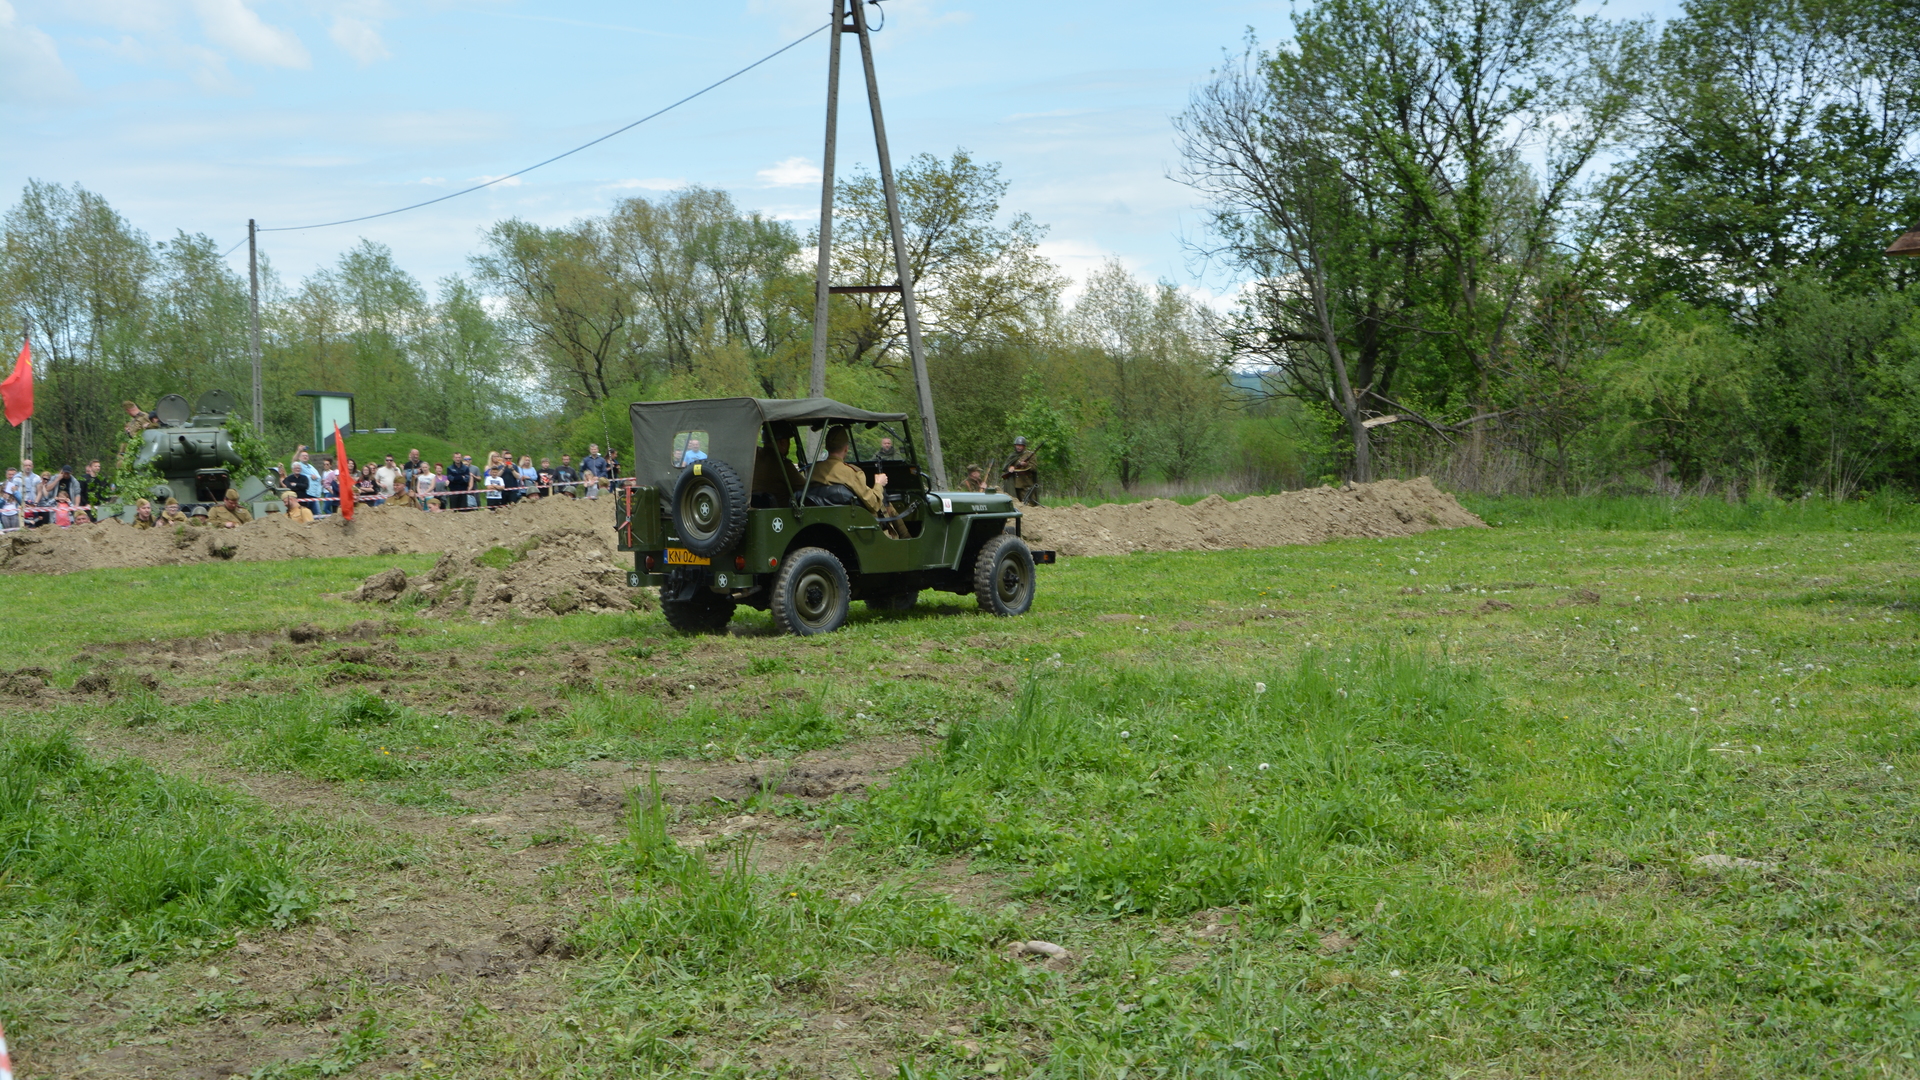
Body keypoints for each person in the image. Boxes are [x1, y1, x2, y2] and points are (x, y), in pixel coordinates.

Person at [809, 426, 906, 538]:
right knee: (885, 503)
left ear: (827, 447)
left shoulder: (813, 470)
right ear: (846, 448)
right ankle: (905, 539)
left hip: (823, 522)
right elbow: (874, 504)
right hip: (857, 524)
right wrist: (879, 484)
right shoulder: (851, 472)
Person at [752, 425, 806, 506]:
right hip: (780, 511)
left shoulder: (753, 457)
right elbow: (806, 489)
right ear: (782, 442)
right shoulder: (783, 465)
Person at [1002, 436, 1039, 506]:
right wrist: (1010, 467)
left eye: (1020, 445)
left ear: (1024, 446)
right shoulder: (1012, 455)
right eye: (1017, 445)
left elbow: (1034, 467)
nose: (1018, 447)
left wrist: (1026, 465)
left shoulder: (1030, 455)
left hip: (1026, 483)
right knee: (1015, 503)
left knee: (1029, 503)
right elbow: (1006, 466)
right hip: (1014, 483)